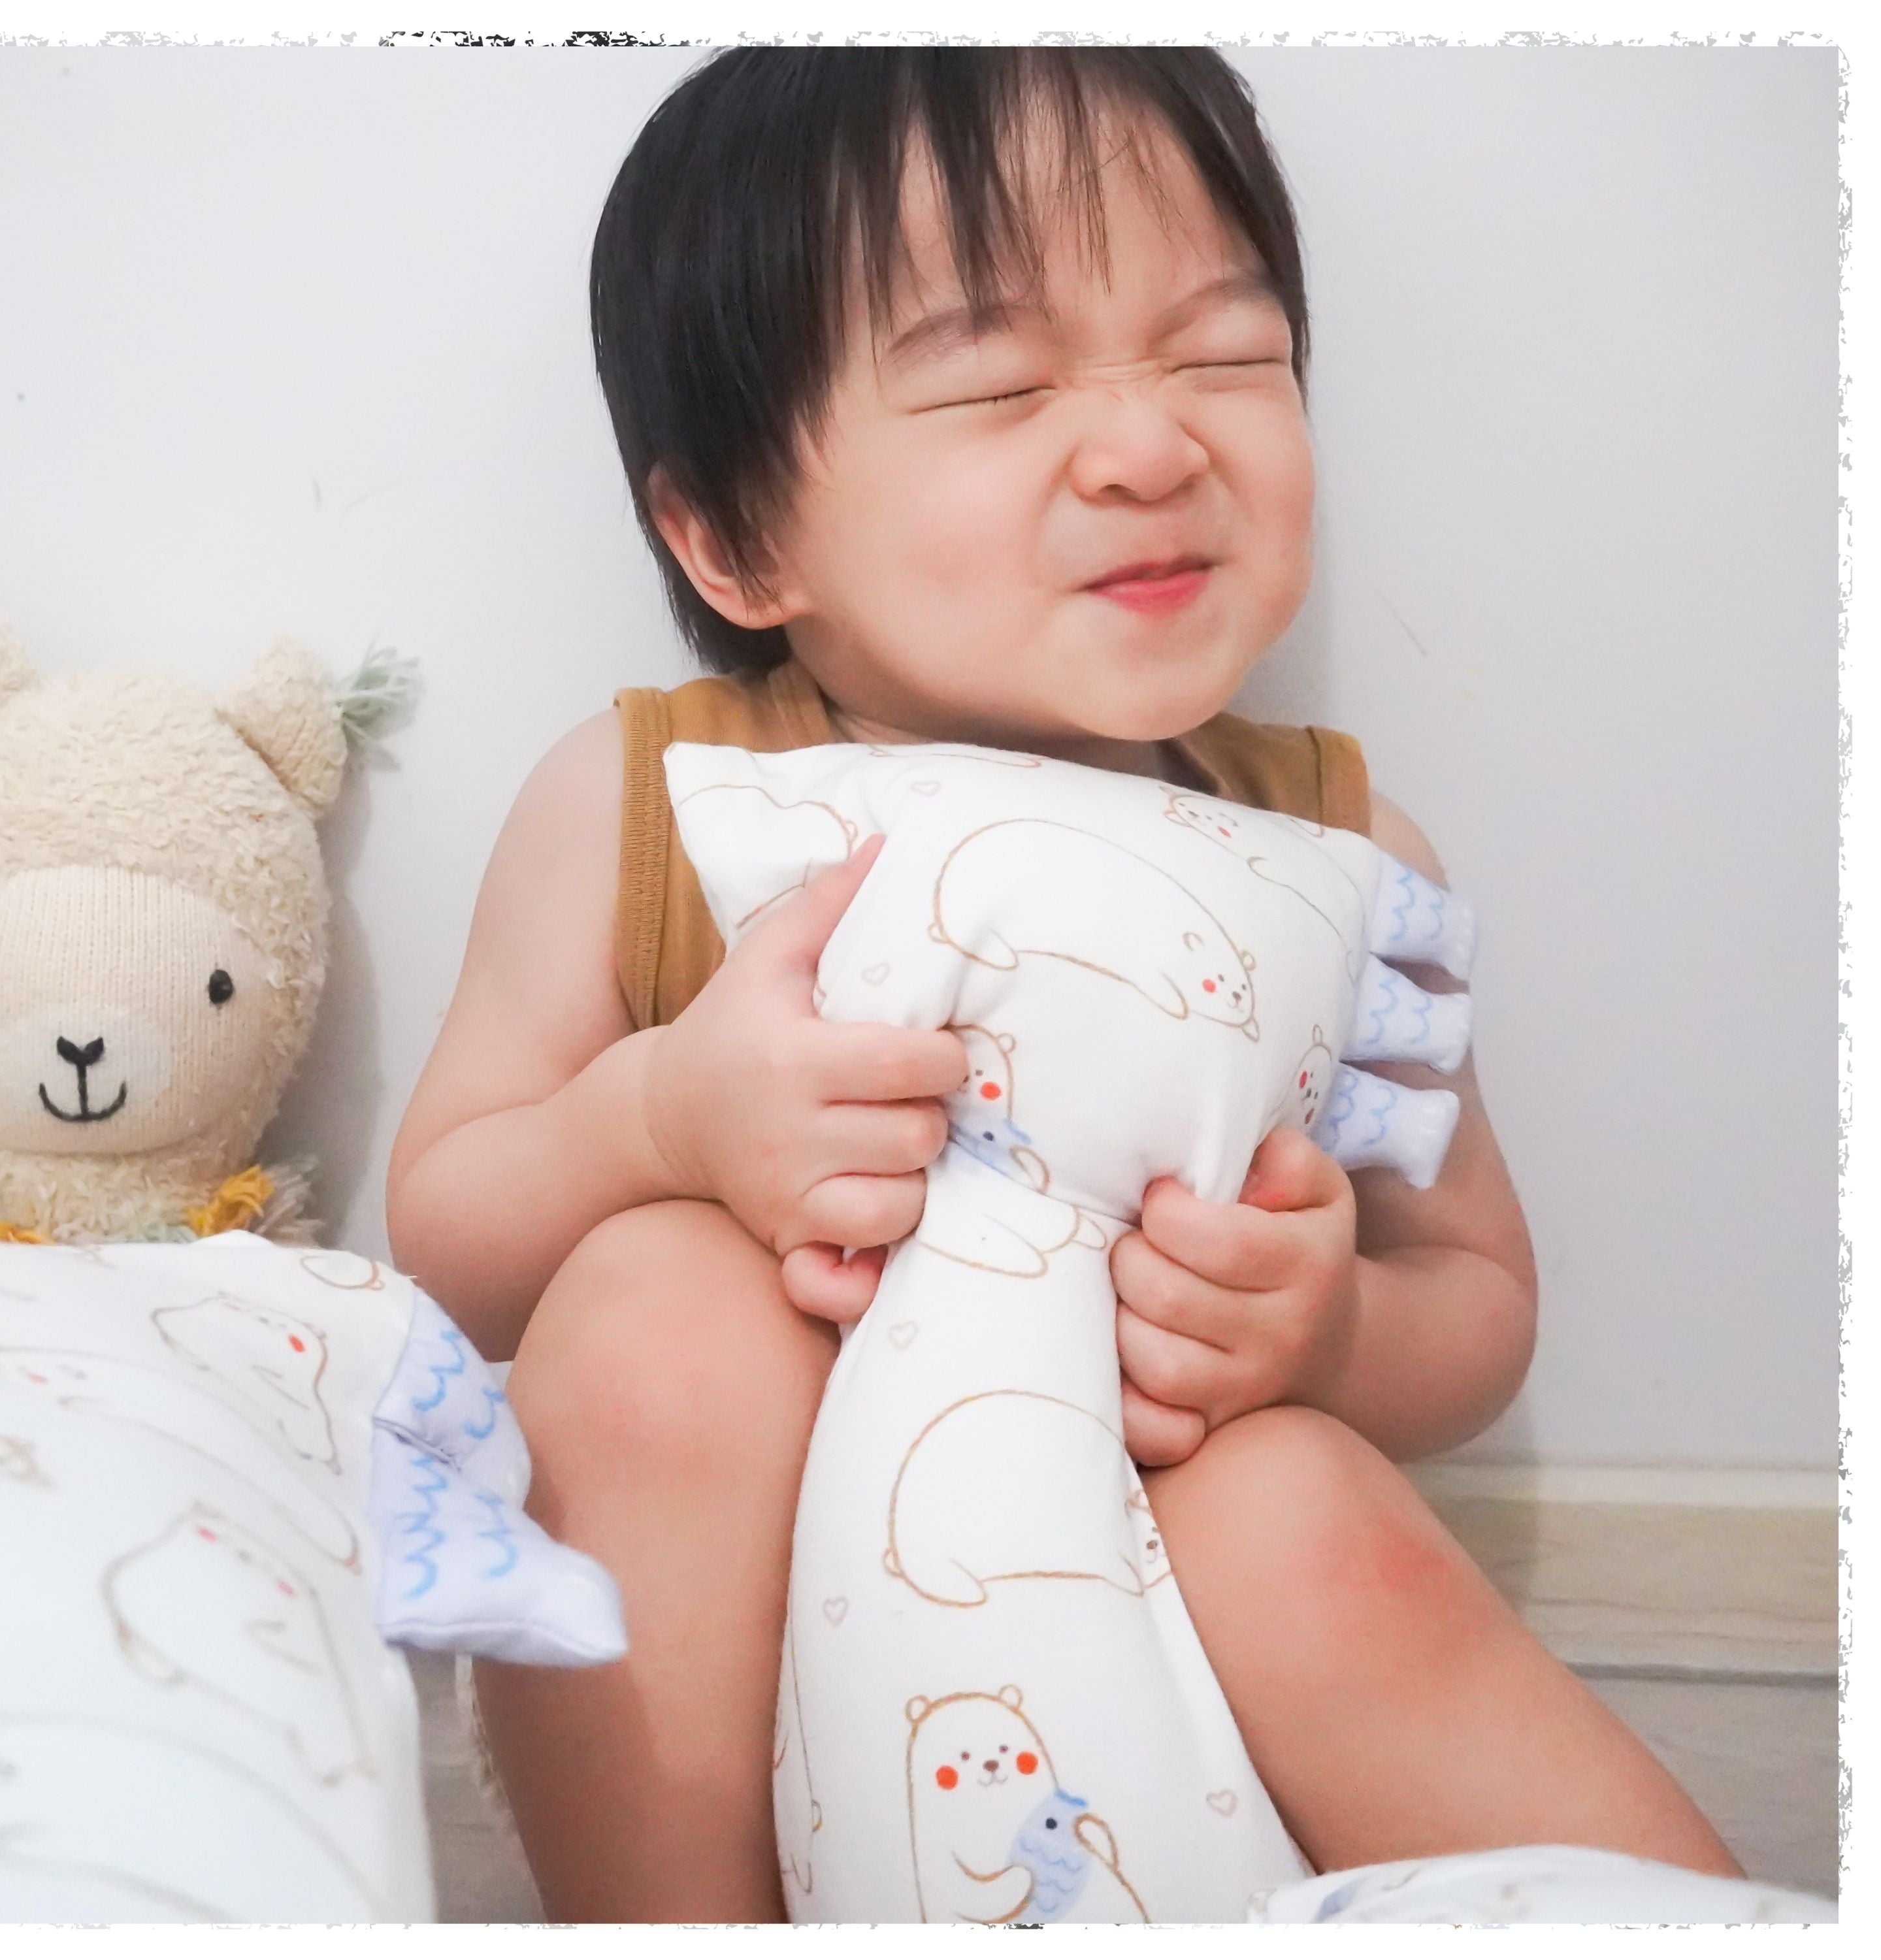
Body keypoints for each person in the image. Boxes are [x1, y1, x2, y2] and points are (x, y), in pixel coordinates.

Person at [384, 47, 1737, 1921]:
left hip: (1171, 1611)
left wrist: (1324, 1331)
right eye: (1003, 382)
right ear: (736, 538)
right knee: (650, 1309)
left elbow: (1477, 1290)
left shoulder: (1346, 859)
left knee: (1295, 1513)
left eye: (1226, 355)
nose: (1149, 444)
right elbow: (450, 1235)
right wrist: (665, 1116)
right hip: (764, 1647)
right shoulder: (654, 808)